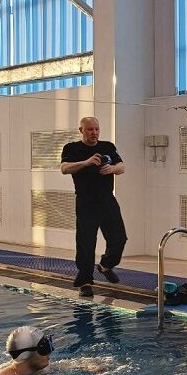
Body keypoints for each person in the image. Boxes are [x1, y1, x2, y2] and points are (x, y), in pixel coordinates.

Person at [60, 116, 127, 298]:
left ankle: (105, 265)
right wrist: (86, 162)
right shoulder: (72, 148)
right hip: (86, 201)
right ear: (81, 130)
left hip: (107, 199)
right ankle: (85, 282)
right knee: (86, 243)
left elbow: (121, 166)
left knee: (119, 238)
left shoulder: (108, 146)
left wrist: (112, 169)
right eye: (90, 129)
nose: (94, 133)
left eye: (96, 129)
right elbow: (64, 168)